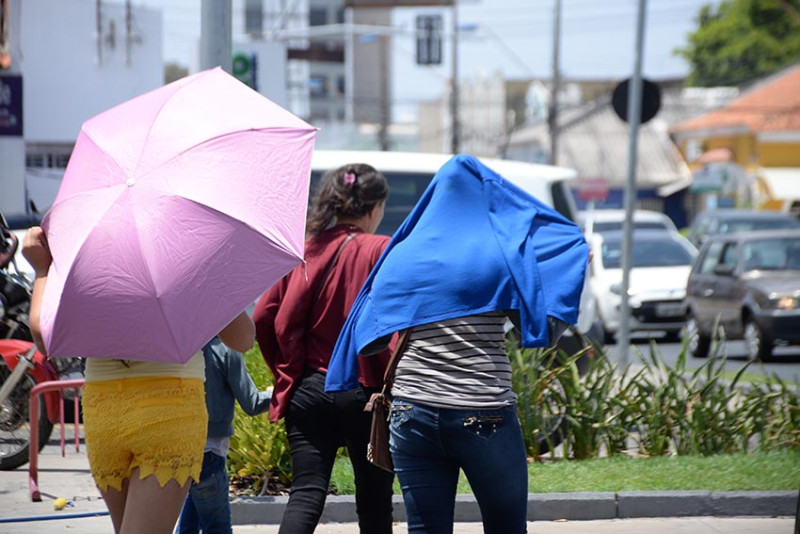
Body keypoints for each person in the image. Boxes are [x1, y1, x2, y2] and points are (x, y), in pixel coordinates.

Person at [325, 155, 589, 534]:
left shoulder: (402, 255)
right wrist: (571, 273)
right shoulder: (499, 254)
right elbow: (540, 330)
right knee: (506, 527)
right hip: (481, 407)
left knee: (426, 528)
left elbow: (372, 338)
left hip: (411, 410)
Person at [22, 226, 255, 534]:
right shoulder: (186, 248)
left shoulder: (88, 241)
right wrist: (214, 273)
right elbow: (242, 340)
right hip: (169, 413)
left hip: (104, 411)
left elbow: (43, 336)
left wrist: (42, 269)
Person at [252, 163, 395, 534]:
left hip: (308, 390)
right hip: (364, 393)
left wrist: (286, 374)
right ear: (374, 207)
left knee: (305, 494)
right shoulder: (382, 249)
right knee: (375, 500)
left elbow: (265, 317)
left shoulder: (304, 250)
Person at [176, 336, 272, 534]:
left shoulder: (176, 348)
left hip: (177, 451)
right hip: (209, 454)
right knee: (217, 528)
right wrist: (280, 393)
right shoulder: (225, 348)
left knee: (188, 526)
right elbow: (252, 403)